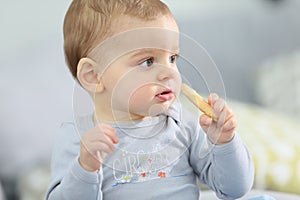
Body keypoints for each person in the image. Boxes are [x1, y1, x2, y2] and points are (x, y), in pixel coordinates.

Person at [46, 0, 254, 199]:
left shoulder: (183, 125)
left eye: (172, 58)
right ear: (94, 76)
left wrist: (225, 142)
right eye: (147, 61)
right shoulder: (78, 136)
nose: (168, 74)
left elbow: (234, 189)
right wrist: (86, 168)